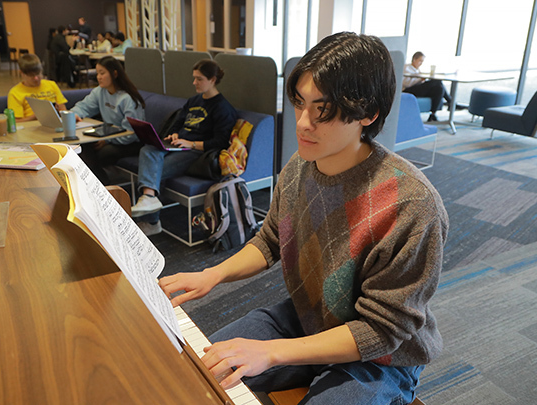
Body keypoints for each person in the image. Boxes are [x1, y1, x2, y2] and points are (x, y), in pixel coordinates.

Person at [159, 32, 448, 404]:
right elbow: (271, 240)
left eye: (322, 110)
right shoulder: (301, 166)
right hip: (307, 317)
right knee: (200, 371)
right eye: (300, 103)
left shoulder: (413, 204)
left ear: (368, 113)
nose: (302, 123)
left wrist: (273, 353)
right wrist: (212, 274)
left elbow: (381, 330)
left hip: (382, 357)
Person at [131, 59, 237, 235]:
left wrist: (191, 143)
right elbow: (178, 122)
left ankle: (151, 219)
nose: (194, 82)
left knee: (154, 168)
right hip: (178, 146)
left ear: (212, 80)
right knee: (148, 149)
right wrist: (174, 134)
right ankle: (149, 199)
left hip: (196, 152)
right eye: (194, 78)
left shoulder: (223, 108)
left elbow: (220, 143)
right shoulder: (194, 100)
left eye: (199, 79)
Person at [71, 56, 146, 185]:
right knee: (82, 148)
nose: (98, 77)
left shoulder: (128, 99)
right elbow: (84, 106)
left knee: (98, 155)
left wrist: (107, 140)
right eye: (97, 73)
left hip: (131, 142)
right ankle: (100, 186)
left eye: (102, 73)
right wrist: (73, 114)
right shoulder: (100, 91)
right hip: (109, 136)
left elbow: (130, 133)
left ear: (115, 73)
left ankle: (103, 187)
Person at [7, 53, 67, 122]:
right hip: (30, 126)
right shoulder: (15, 93)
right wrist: (36, 116)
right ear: (22, 74)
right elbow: (15, 121)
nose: (36, 78)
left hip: (53, 123)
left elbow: (63, 109)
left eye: (38, 74)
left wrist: (57, 112)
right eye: (31, 75)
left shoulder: (51, 84)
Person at [402, 51, 452, 122]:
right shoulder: (406, 68)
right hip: (408, 90)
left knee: (439, 88)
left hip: (418, 89)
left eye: (422, 61)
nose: (421, 63)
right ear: (414, 59)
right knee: (437, 81)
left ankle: (432, 114)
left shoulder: (417, 70)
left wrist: (421, 80)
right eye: (420, 61)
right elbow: (406, 83)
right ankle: (451, 102)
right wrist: (420, 79)